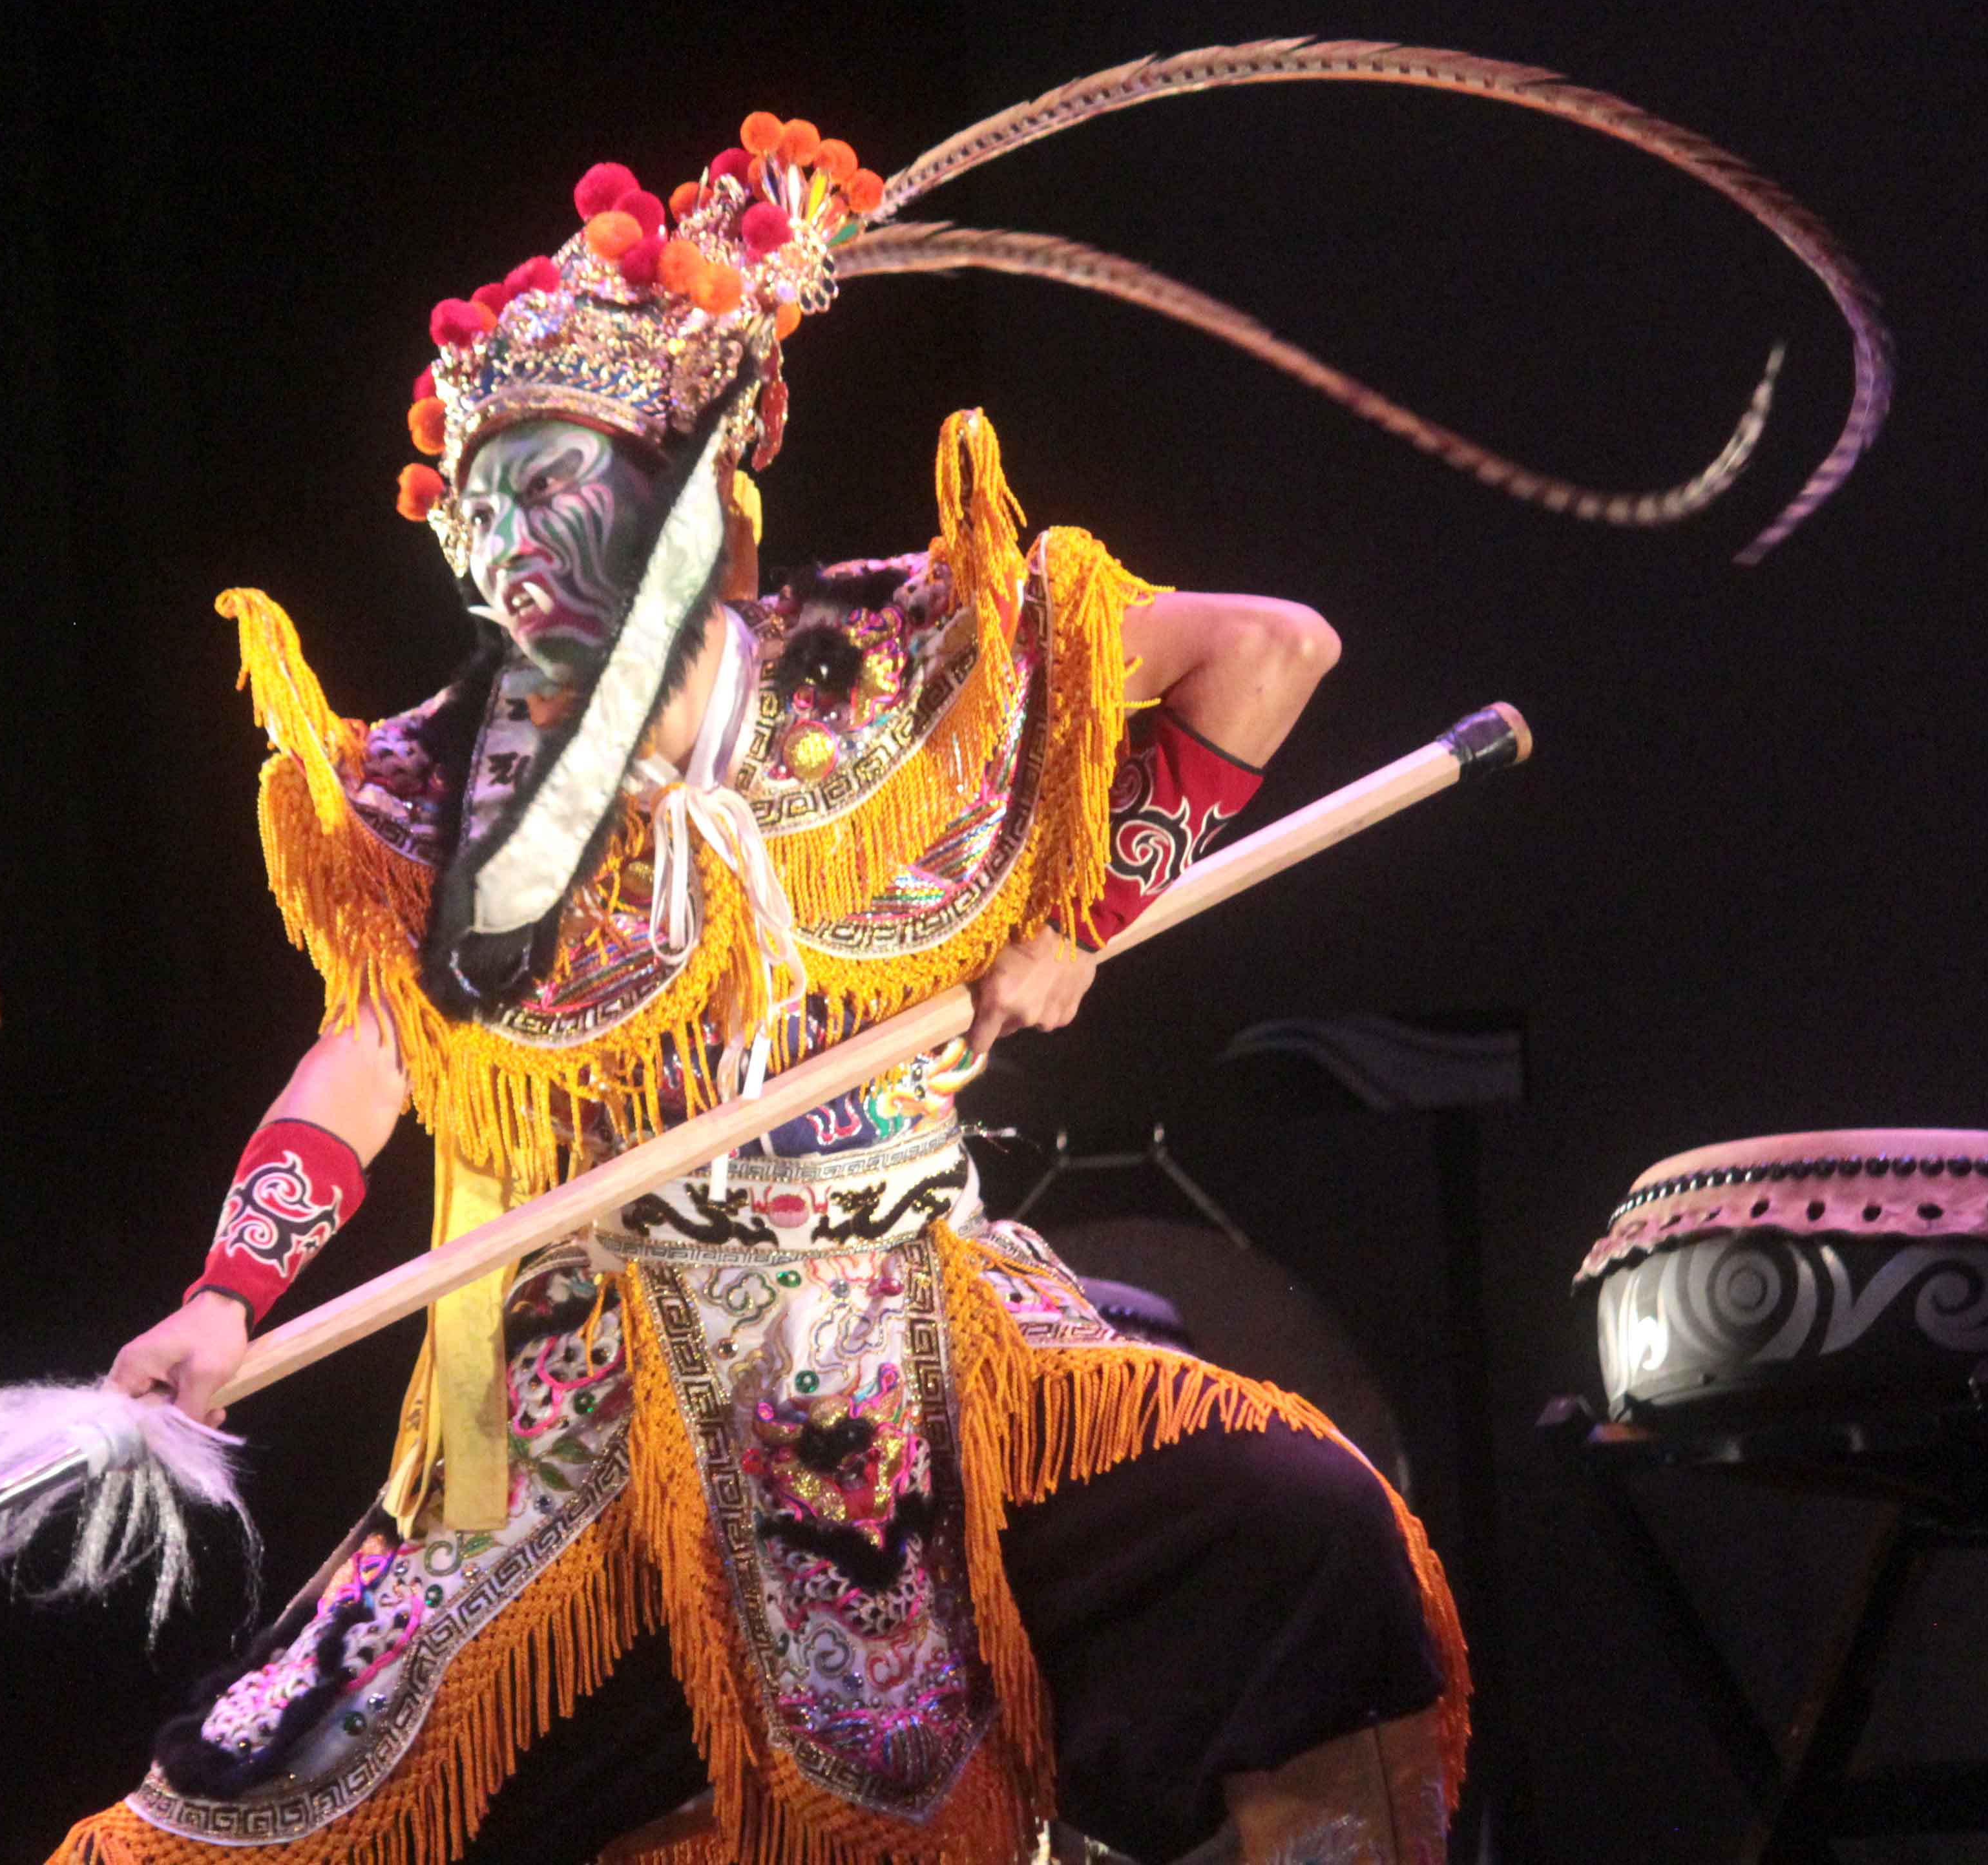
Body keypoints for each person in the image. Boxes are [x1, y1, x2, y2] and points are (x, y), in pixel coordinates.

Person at [71, 119, 1469, 1865]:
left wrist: (1086, 917)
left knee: (1307, 1524)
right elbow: (368, 1053)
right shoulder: (445, 787)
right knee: (255, 1802)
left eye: (563, 493)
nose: (517, 547)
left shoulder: (889, 652)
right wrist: (224, 1296)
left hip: (919, 1339)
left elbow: (1269, 650)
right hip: (606, 1393)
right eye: (487, 511)